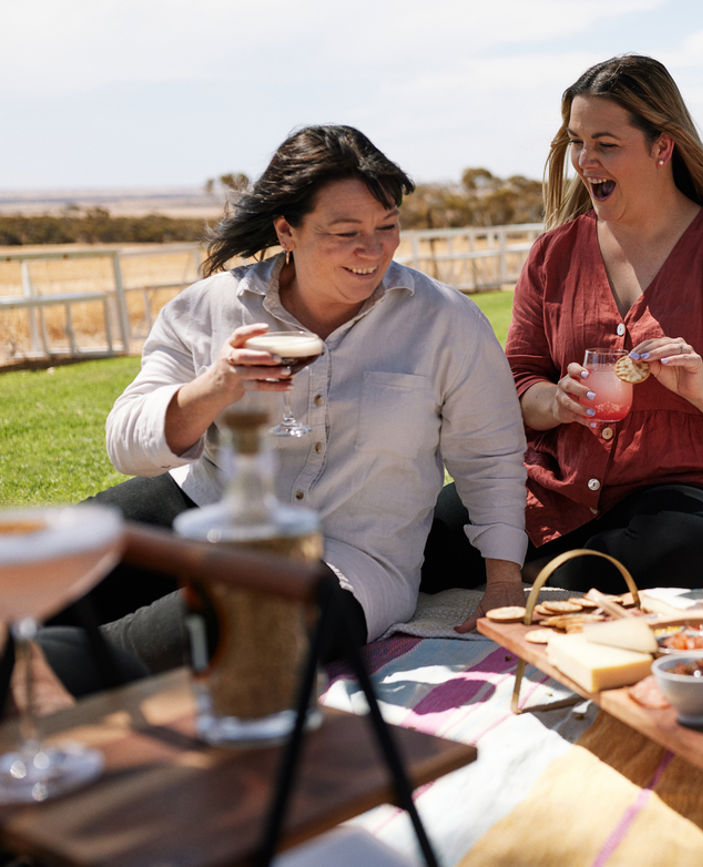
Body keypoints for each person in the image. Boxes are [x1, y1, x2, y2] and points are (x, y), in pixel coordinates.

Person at [59, 125, 528, 670]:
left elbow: (491, 460)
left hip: (348, 563)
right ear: (287, 230)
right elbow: (127, 446)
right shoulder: (209, 308)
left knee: (256, 605)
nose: (372, 249)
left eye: (388, 226)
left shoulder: (447, 322)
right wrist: (217, 386)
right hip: (206, 511)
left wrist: (503, 583)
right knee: (56, 556)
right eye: (344, 231)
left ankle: (57, 674)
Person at [427, 55, 703, 596]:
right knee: (428, 529)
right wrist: (556, 401)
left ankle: (537, 568)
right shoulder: (551, 256)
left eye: (605, 144)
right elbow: (516, 380)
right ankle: (568, 572)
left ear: (662, 147)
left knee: (688, 550)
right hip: (556, 482)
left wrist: (700, 388)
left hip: (684, 494)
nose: (585, 160)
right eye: (577, 142)